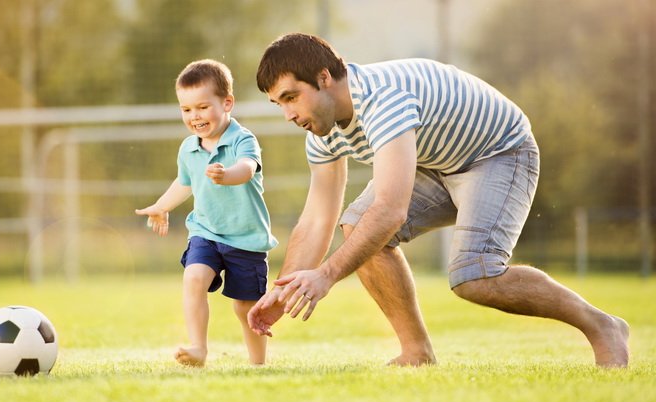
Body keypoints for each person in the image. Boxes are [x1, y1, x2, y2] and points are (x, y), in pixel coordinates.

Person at [246, 33, 629, 367]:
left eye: (291, 97)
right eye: (279, 103)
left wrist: (327, 275)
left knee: (475, 276)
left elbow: (391, 210)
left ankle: (602, 324)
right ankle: (417, 353)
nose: (287, 114)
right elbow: (316, 219)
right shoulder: (321, 131)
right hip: (435, 162)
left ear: (324, 78)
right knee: (357, 226)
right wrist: (285, 288)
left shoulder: (383, 101)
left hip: (498, 153)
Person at [136, 59, 278, 367]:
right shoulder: (188, 148)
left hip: (246, 238)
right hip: (206, 232)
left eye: (202, 107)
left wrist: (226, 175)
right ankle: (198, 348)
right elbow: (184, 182)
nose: (194, 116)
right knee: (194, 277)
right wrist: (161, 206)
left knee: (245, 307)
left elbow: (247, 168)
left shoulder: (243, 139)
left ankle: (258, 363)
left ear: (227, 103)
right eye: (186, 110)